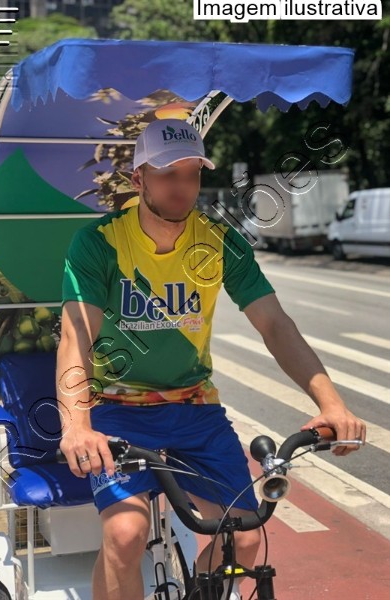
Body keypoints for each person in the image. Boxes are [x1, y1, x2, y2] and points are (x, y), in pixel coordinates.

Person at [56, 118, 366, 600]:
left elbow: (275, 325)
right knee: (125, 534)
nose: (181, 187)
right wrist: (77, 426)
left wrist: (332, 404)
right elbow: (76, 338)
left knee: (244, 537)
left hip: (196, 408)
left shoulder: (219, 240)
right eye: (167, 174)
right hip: (117, 410)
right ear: (139, 179)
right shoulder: (99, 242)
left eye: (192, 174)